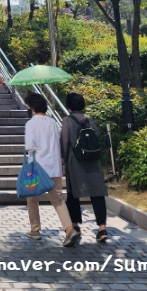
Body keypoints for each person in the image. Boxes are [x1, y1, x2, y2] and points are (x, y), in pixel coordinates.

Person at [23, 93, 81, 245]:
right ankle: (69, 229)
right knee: (58, 200)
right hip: (54, 167)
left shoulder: (31, 124)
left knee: (32, 199)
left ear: (33, 108)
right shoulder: (53, 122)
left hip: (37, 168)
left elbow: (29, 146)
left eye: (29, 106)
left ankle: (35, 230)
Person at [60, 92, 109, 241]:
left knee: (73, 193)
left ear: (68, 105)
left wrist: (63, 159)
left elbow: (65, 142)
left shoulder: (67, 121)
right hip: (92, 160)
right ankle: (102, 229)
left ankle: (75, 226)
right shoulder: (90, 119)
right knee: (97, 193)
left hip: (76, 162)